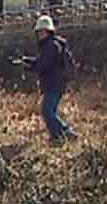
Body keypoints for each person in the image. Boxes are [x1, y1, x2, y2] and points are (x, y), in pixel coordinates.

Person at [16, 15, 78, 143]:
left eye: (42, 31)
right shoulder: (51, 45)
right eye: (38, 32)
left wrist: (28, 67)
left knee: (47, 111)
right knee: (49, 112)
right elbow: (42, 62)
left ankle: (66, 133)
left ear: (48, 31)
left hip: (53, 84)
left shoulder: (50, 46)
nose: (40, 34)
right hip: (55, 83)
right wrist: (27, 60)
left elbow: (42, 65)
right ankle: (57, 137)